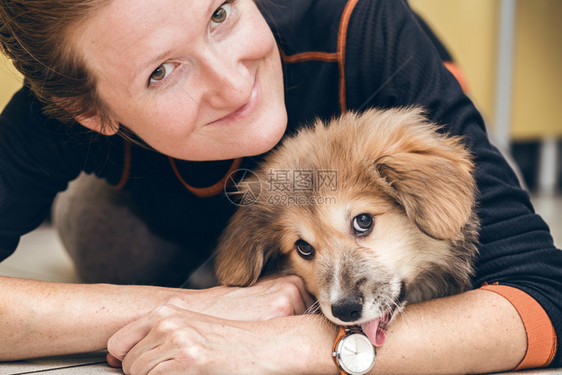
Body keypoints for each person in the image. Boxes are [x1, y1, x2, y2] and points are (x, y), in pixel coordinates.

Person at [0, 0, 560, 373]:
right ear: (89, 112)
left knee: (475, 237)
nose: (233, 81)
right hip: (186, 219)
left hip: (396, 188)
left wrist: (292, 347)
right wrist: (202, 308)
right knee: (103, 235)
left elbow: (541, 294)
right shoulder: (57, 115)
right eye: (161, 71)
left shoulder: (357, 27)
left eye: (219, 12)